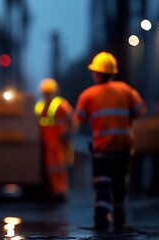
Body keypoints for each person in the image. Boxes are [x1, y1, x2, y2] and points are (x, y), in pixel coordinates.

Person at [73, 51, 147, 230]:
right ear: (113, 72)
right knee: (120, 185)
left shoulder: (88, 95)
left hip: (103, 149)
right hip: (124, 147)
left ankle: (101, 220)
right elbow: (139, 111)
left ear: (97, 73)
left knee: (103, 184)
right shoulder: (127, 90)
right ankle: (120, 219)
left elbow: (80, 117)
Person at [34, 78, 74, 202]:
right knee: (51, 168)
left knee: (59, 167)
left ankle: (60, 191)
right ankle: (54, 190)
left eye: (48, 92)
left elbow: (72, 120)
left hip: (58, 141)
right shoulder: (40, 106)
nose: (47, 95)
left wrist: (68, 133)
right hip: (46, 142)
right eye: (45, 93)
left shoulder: (61, 104)